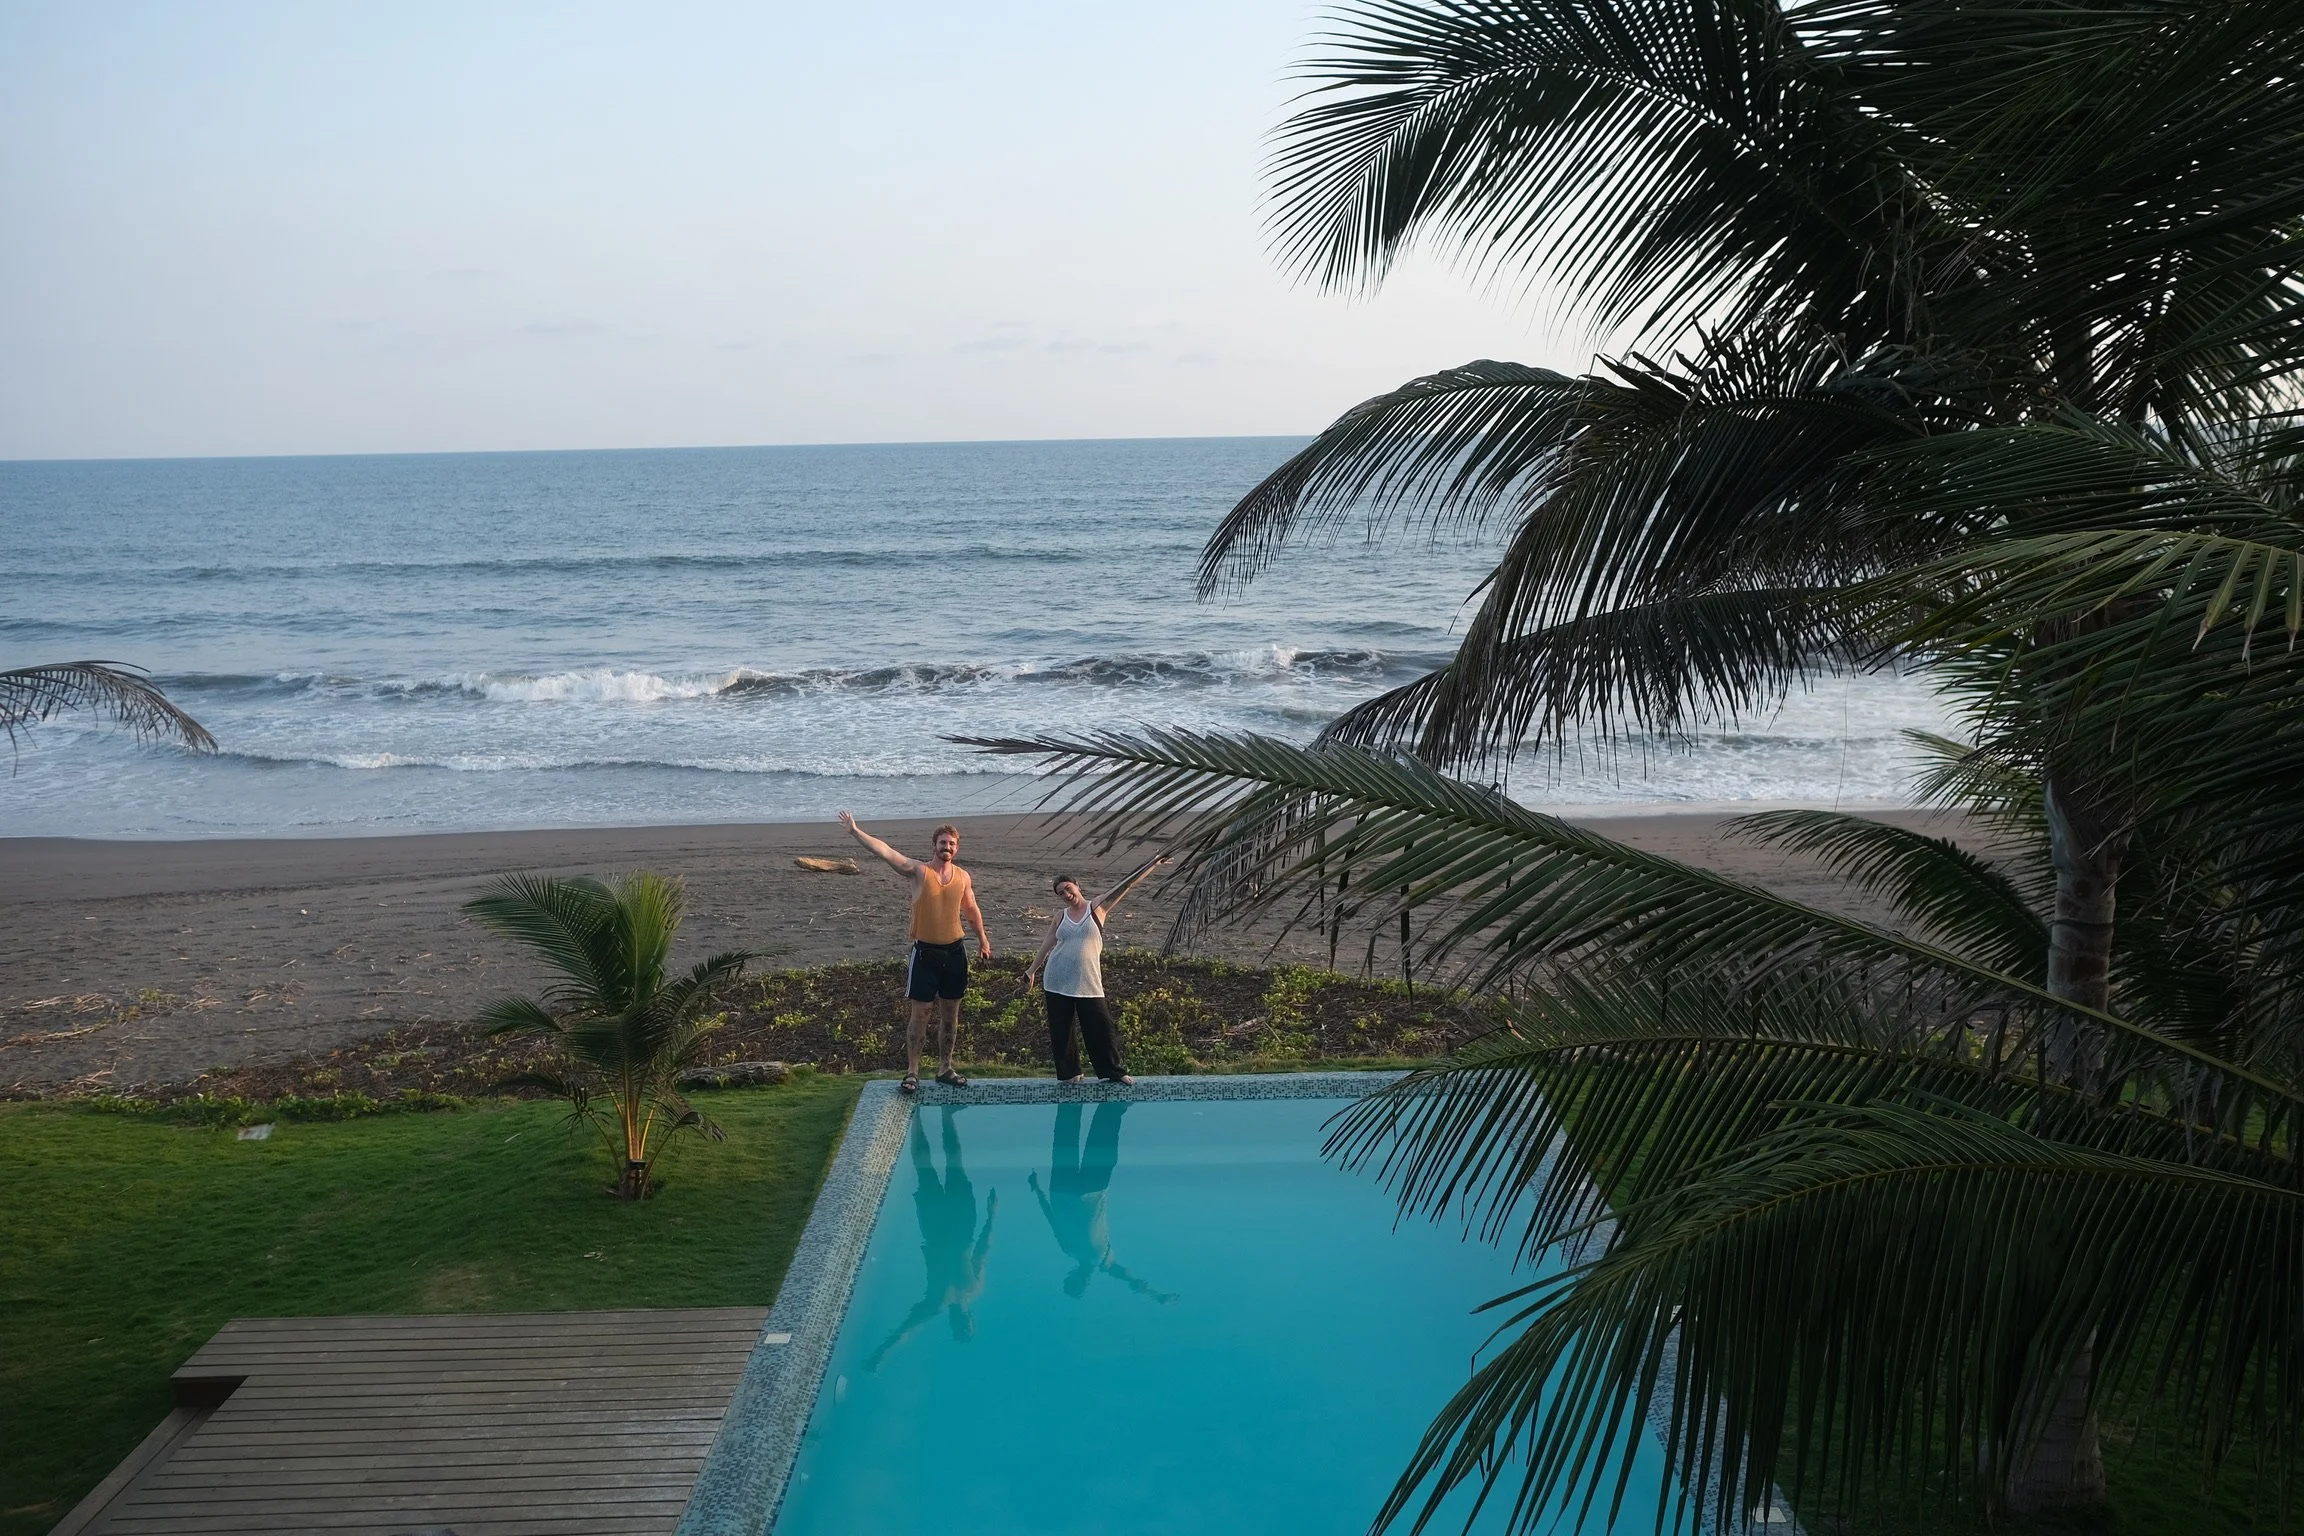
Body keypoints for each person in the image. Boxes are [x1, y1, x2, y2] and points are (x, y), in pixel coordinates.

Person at [838, 812, 991, 1094]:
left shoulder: (963, 877)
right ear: (934, 845)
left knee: (950, 1014)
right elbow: (886, 852)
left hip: (955, 954)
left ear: (957, 848)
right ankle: (912, 1071)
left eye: (952, 844)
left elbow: (971, 910)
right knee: (919, 1015)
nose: (947, 847)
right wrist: (856, 832)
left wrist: (982, 939)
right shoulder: (920, 872)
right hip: (925, 955)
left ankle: (945, 1067)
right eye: (943, 843)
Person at [1023, 853, 1166, 1085]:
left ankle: (1114, 1072)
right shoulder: (1060, 916)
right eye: (1061, 893)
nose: (1067, 895)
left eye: (1068, 889)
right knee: (1061, 1031)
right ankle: (1070, 1073)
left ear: (1078, 886)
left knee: (1100, 1027)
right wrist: (1031, 970)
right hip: (1057, 979)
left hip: (1087, 980)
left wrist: (1153, 863)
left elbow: (1126, 884)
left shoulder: (1097, 907)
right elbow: (1048, 944)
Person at [1028, 1100, 1175, 1304]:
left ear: (1071, 1276)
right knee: (1099, 1147)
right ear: (1086, 1283)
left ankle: (1072, 1105)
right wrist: (1156, 1295)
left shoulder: (1070, 1250)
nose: (1083, 1280)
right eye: (1083, 1284)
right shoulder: (1101, 1260)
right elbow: (1129, 1279)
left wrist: (1037, 1191)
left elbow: (1051, 1219)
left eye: (1076, 1281)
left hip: (1064, 1190)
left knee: (1067, 1141)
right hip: (1087, 1191)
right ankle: (1111, 1109)